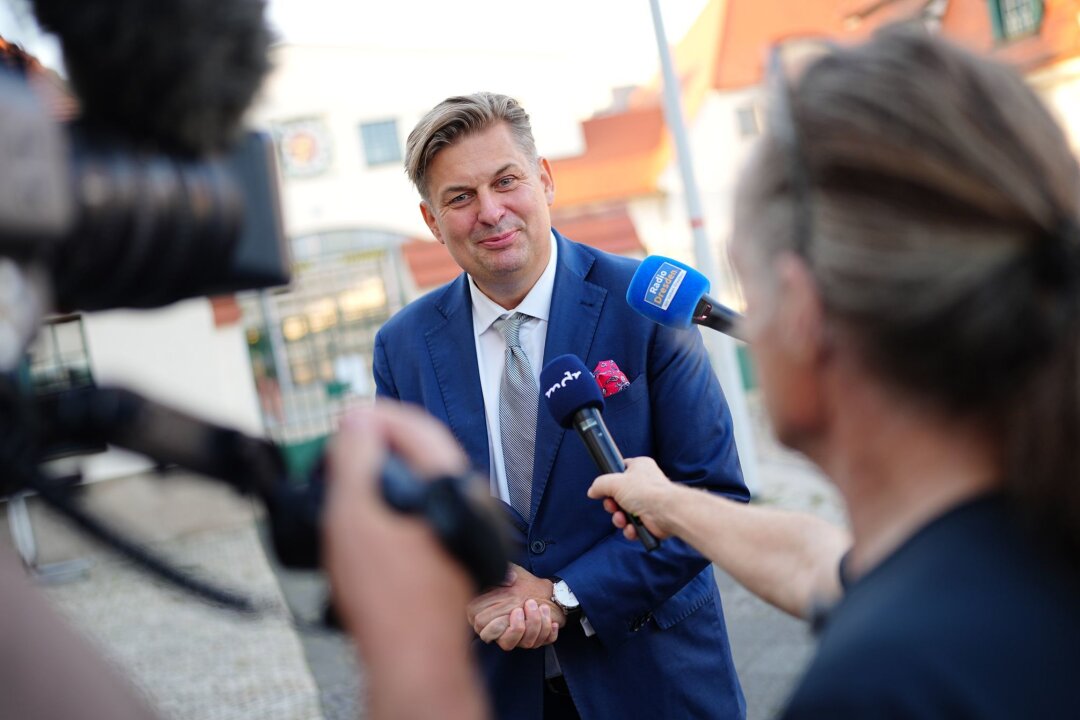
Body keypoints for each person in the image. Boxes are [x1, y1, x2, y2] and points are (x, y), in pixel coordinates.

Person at [586, 26, 1080, 718]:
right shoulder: (1012, 551)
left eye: (751, 288)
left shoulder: (882, 685)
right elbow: (828, 565)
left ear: (802, 312)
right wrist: (670, 503)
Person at [372, 92, 750, 719]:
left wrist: (565, 597)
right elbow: (408, 522)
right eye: (460, 198)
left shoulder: (647, 303)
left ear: (544, 179)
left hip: (655, 681)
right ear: (432, 221)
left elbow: (711, 495)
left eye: (506, 181)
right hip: (497, 686)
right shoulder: (402, 346)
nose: (490, 212)